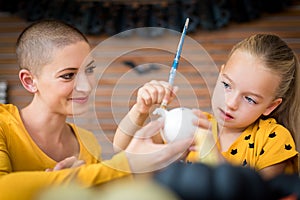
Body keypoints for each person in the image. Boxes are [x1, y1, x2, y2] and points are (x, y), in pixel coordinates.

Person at [0, 19, 193, 200]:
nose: (85, 86)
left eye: (89, 70)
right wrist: (125, 165)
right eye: (68, 76)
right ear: (29, 81)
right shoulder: (3, 125)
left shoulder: (87, 143)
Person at [114, 33, 300, 180]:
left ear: (270, 106)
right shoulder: (195, 124)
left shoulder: (273, 140)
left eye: (249, 99)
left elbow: (254, 193)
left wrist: (212, 154)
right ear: (220, 75)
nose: (230, 103)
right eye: (227, 85)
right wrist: (140, 110)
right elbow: (124, 152)